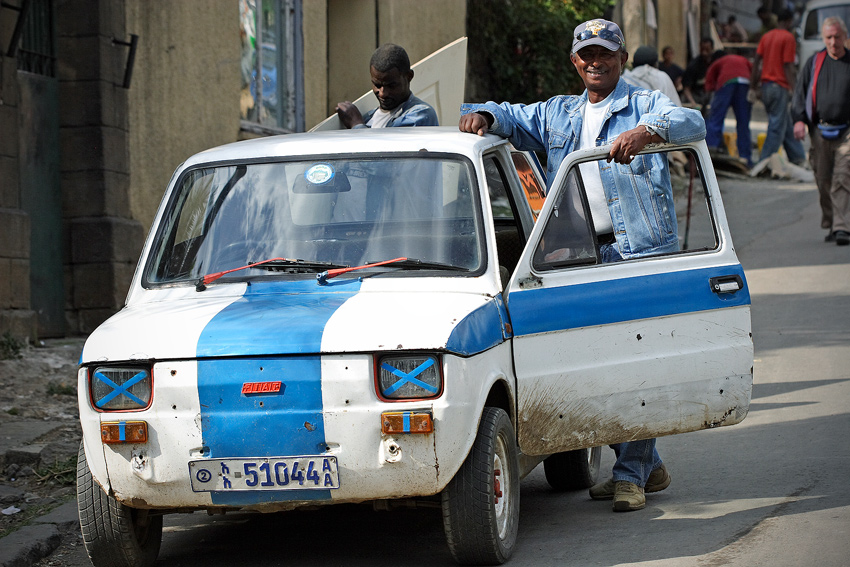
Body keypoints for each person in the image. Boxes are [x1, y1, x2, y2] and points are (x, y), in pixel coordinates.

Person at [458, 19, 705, 511]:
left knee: (636, 366)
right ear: (576, 62)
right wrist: (483, 114)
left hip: (637, 252)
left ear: (621, 59)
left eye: (606, 54)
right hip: (578, 255)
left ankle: (631, 474)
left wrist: (647, 131)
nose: (596, 62)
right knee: (592, 366)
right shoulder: (560, 113)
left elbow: (692, 122)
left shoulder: (644, 103)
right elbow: (508, 115)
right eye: (587, 55)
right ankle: (647, 463)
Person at [792, 16, 850, 245]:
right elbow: (800, 94)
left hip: (847, 131)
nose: (833, 42)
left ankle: (842, 227)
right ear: (823, 39)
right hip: (820, 129)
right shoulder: (815, 62)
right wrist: (798, 120)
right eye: (829, 37)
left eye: (837, 37)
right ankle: (832, 220)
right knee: (823, 179)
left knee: (842, 177)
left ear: (845, 37)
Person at [335, 43, 438, 129]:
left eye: (391, 85)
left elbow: (388, 150)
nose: (383, 93)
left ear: (409, 76)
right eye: (377, 85)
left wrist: (356, 125)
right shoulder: (368, 118)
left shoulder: (421, 114)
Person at [750, 10, 806, 165]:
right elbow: (788, 66)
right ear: (788, 22)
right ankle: (764, 162)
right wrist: (795, 90)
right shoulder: (788, 38)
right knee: (776, 127)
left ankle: (798, 157)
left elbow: (756, 62)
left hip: (766, 86)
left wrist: (753, 86)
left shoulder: (766, 36)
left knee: (784, 123)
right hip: (779, 86)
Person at [705, 51, 754, 166]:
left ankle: (711, 150)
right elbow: (754, 70)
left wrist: (708, 104)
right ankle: (745, 157)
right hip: (745, 83)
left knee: (716, 119)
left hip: (727, 82)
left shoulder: (717, 62)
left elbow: (709, 85)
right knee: (743, 122)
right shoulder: (743, 59)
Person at [682, 38, 724, 116]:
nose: (704, 52)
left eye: (707, 49)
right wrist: (693, 103)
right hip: (697, 96)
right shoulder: (694, 65)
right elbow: (686, 88)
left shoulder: (716, 62)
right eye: (702, 49)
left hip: (712, 94)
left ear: (712, 49)